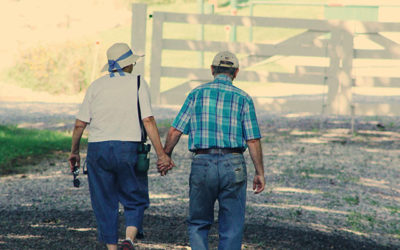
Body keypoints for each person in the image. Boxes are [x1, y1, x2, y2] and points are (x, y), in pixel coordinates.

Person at [68, 42, 173, 250]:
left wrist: (74, 152)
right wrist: (162, 154)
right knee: (134, 195)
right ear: (129, 64)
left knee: (104, 200)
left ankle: (112, 248)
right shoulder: (138, 83)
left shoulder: (96, 85)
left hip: (98, 149)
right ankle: (129, 239)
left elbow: (80, 124)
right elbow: (148, 120)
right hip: (128, 148)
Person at [160, 51, 266, 250]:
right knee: (232, 225)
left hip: (203, 162)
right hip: (233, 163)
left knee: (198, 222)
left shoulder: (196, 94)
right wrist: (259, 172)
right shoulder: (243, 98)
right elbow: (253, 139)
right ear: (236, 72)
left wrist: (166, 155)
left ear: (211, 70)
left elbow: (175, 130)